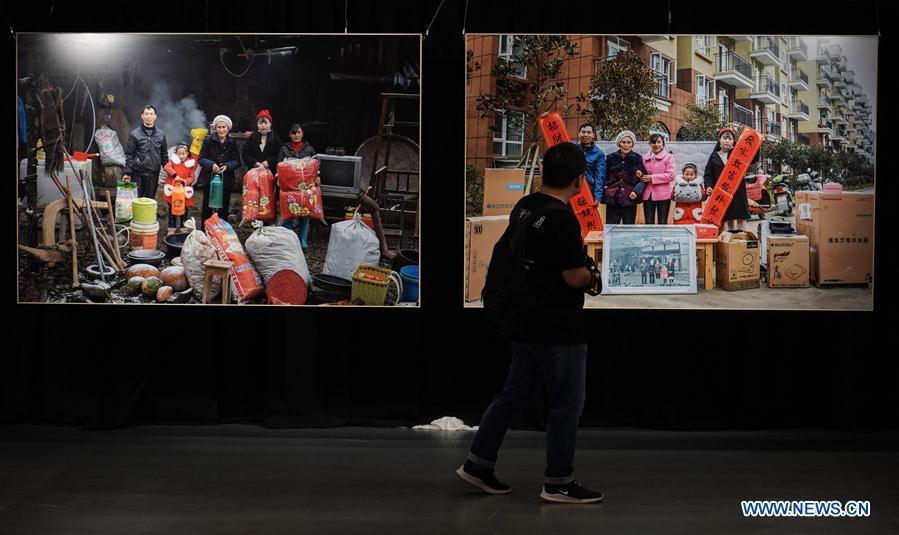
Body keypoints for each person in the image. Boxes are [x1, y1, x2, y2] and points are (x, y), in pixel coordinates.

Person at [457, 142, 603, 505]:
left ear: (544, 173)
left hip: (523, 321)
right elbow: (573, 277)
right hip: (557, 327)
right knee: (566, 405)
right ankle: (558, 481)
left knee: (512, 395)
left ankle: (478, 463)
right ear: (579, 180)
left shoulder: (525, 206)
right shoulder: (562, 218)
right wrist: (592, 274)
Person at [703, 127, 759, 232]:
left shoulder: (738, 153)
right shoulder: (714, 156)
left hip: (737, 191)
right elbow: (708, 174)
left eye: (730, 138)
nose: (727, 141)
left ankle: (739, 242)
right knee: (725, 219)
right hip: (722, 192)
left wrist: (756, 142)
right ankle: (725, 243)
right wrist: (708, 186)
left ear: (734, 141)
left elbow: (753, 158)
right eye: (725, 138)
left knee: (739, 218)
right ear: (719, 139)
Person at [278, 123, 317, 249]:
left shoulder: (309, 149)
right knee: (288, 211)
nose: (296, 135)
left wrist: (318, 176)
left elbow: (316, 165)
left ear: (302, 133)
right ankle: (290, 240)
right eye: (293, 133)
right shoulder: (284, 148)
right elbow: (279, 164)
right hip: (289, 185)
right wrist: (277, 176)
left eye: (298, 132)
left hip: (305, 186)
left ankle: (302, 241)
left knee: (305, 212)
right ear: (290, 135)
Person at [197, 115, 241, 222]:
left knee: (224, 207)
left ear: (228, 128)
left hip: (226, 179)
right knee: (207, 206)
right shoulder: (208, 141)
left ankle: (222, 231)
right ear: (215, 128)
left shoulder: (232, 143)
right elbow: (201, 158)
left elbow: (237, 161)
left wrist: (227, 166)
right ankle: (205, 229)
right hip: (209, 179)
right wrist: (211, 165)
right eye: (219, 127)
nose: (221, 130)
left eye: (224, 127)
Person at [122, 105, 168, 201]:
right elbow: (130, 154)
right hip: (138, 173)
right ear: (142, 116)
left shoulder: (160, 135)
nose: (149, 116)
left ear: (155, 116)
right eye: (146, 114)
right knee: (136, 200)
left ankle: (148, 216)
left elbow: (164, 155)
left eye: (151, 114)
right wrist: (128, 173)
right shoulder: (134, 134)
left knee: (149, 201)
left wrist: (169, 171)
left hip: (153, 174)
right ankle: (136, 216)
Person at [602, 130, 647, 225]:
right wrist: (607, 189)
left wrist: (636, 191)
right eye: (623, 142)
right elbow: (604, 176)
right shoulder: (610, 158)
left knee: (628, 228)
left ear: (632, 144)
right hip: (613, 198)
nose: (626, 145)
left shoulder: (637, 158)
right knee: (611, 227)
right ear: (619, 143)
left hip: (630, 198)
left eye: (629, 142)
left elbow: (643, 179)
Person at [162, 143, 197, 235]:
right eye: (179, 154)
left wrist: (184, 181)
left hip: (184, 190)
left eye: (183, 153)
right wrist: (175, 175)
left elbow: (192, 177)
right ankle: (171, 227)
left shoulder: (190, 164)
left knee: (184, 209)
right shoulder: (172, 161)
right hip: (173, 190)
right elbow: (167, 167)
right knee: (172, 208)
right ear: (176, 154)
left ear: (187, 153)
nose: (181, 156)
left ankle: (183, 226)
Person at [641, 134, 676, 224]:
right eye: (653, 142)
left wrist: (652, 178)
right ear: (650, 144)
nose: (656, 144)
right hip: (648, 195)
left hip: (663, 195)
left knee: (662, 221)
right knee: (648, 222)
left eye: (659, 142)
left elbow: (671, 175)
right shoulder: (644, 158)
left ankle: (662, 238)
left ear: (663, 144)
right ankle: (649, 238)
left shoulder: (669, 157)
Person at [242, 109, 282, 173]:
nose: (263, 125)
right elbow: (245, 154)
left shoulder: (275, 138)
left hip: (270, 172)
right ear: (257, 124)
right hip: (253, 172)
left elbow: (280, 154)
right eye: (260, 123)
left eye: (265, 123)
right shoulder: (252, 138)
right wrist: (254, 163)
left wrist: (269, 162)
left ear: (270, 124)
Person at [575, 123, 605, 205]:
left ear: (593, 135)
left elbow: (599, 176)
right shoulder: (573, 148)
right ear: (579, 134)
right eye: (583, 132)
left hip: (588, 191)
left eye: (588, 132)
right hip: (570, 189)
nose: (585, 135)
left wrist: (598, 196)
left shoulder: (599, 154)